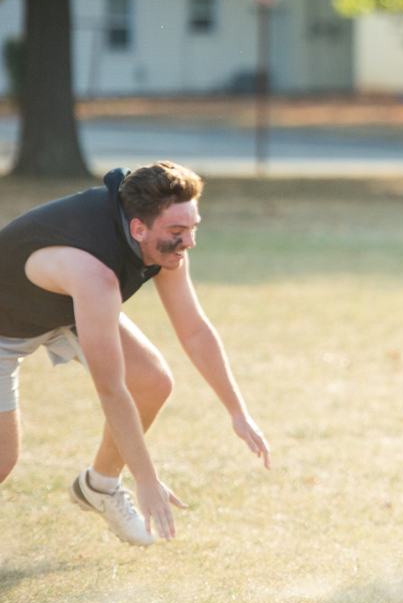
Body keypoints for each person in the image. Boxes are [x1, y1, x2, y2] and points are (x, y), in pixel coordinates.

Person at [0, 162, 270, 546]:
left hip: (61, 307)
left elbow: (193, 329)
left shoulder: (164, 245)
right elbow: (110, 388)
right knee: (2, 461)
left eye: (192, 228)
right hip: (6, 326)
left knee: (152, 383)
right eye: (178, 232)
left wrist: (237, 411)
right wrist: (146, 478)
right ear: (137, 228)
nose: (189, 241)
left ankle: (100, 486)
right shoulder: (95, 274)